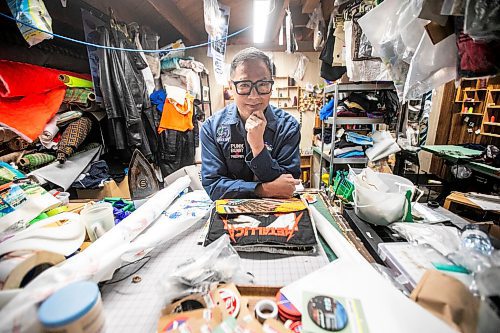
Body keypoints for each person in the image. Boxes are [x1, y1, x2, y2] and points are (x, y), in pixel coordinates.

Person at [200, 47, 301, 201]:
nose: (254, 96)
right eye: (244, 85)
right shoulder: (211, 128)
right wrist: (262, 190)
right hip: (227, 215)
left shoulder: (288, 126)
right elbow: (213, 186)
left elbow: (287, 185)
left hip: (277, 215)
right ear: (231, 87)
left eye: (262, 85)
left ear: (271, 86)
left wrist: (258, 147)